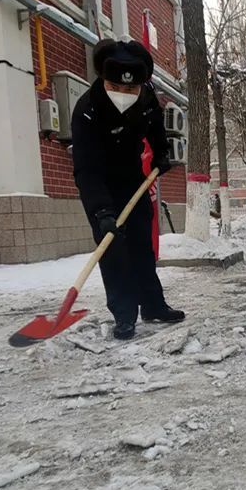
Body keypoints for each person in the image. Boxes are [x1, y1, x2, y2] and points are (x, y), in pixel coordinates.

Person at [72, 39, 184, 340]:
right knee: (113, 250)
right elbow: (86, 169)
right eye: (116, 87)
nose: (124, 94)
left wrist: (161, 153)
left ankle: (152, 305)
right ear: (104, 80)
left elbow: (155, 124)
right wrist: (101, 211)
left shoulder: (145, 97)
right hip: (100, 183)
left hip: (133, 178)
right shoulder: (87, 111)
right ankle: (124, 315)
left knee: (140, 246)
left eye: (130, 89)